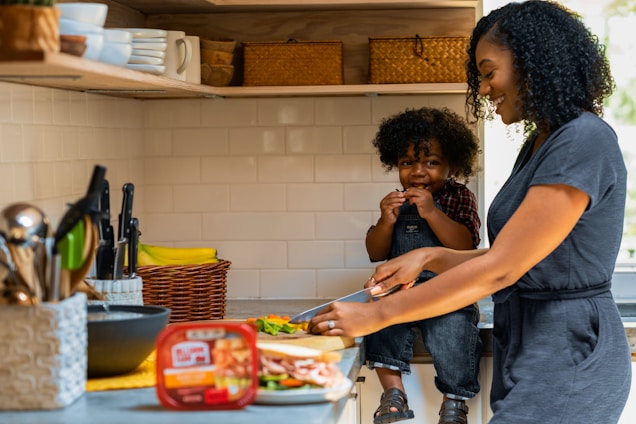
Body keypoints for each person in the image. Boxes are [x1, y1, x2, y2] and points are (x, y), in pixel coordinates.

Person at [309, 2, 632, 423]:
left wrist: (376, 315)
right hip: (533, 345)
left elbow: (503, 269)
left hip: (569, 350)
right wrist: (430, 256)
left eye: (489, 71)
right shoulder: (540, 144)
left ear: (532, 64)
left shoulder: (582, 140)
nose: (482, 88)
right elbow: (527, 257)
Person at [364, 106, 482, 424]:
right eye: (407, 163)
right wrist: (385, 221)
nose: (418, 172)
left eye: (431, 162)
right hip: (403, 291)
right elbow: (376, 251)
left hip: (449, 293)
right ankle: (393, 394)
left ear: (451, 164)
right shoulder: (396, 202)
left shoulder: (460, 197)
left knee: (453, 332)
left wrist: (432, 212)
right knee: (379, 321)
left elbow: (466, 245)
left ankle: (454, 402)